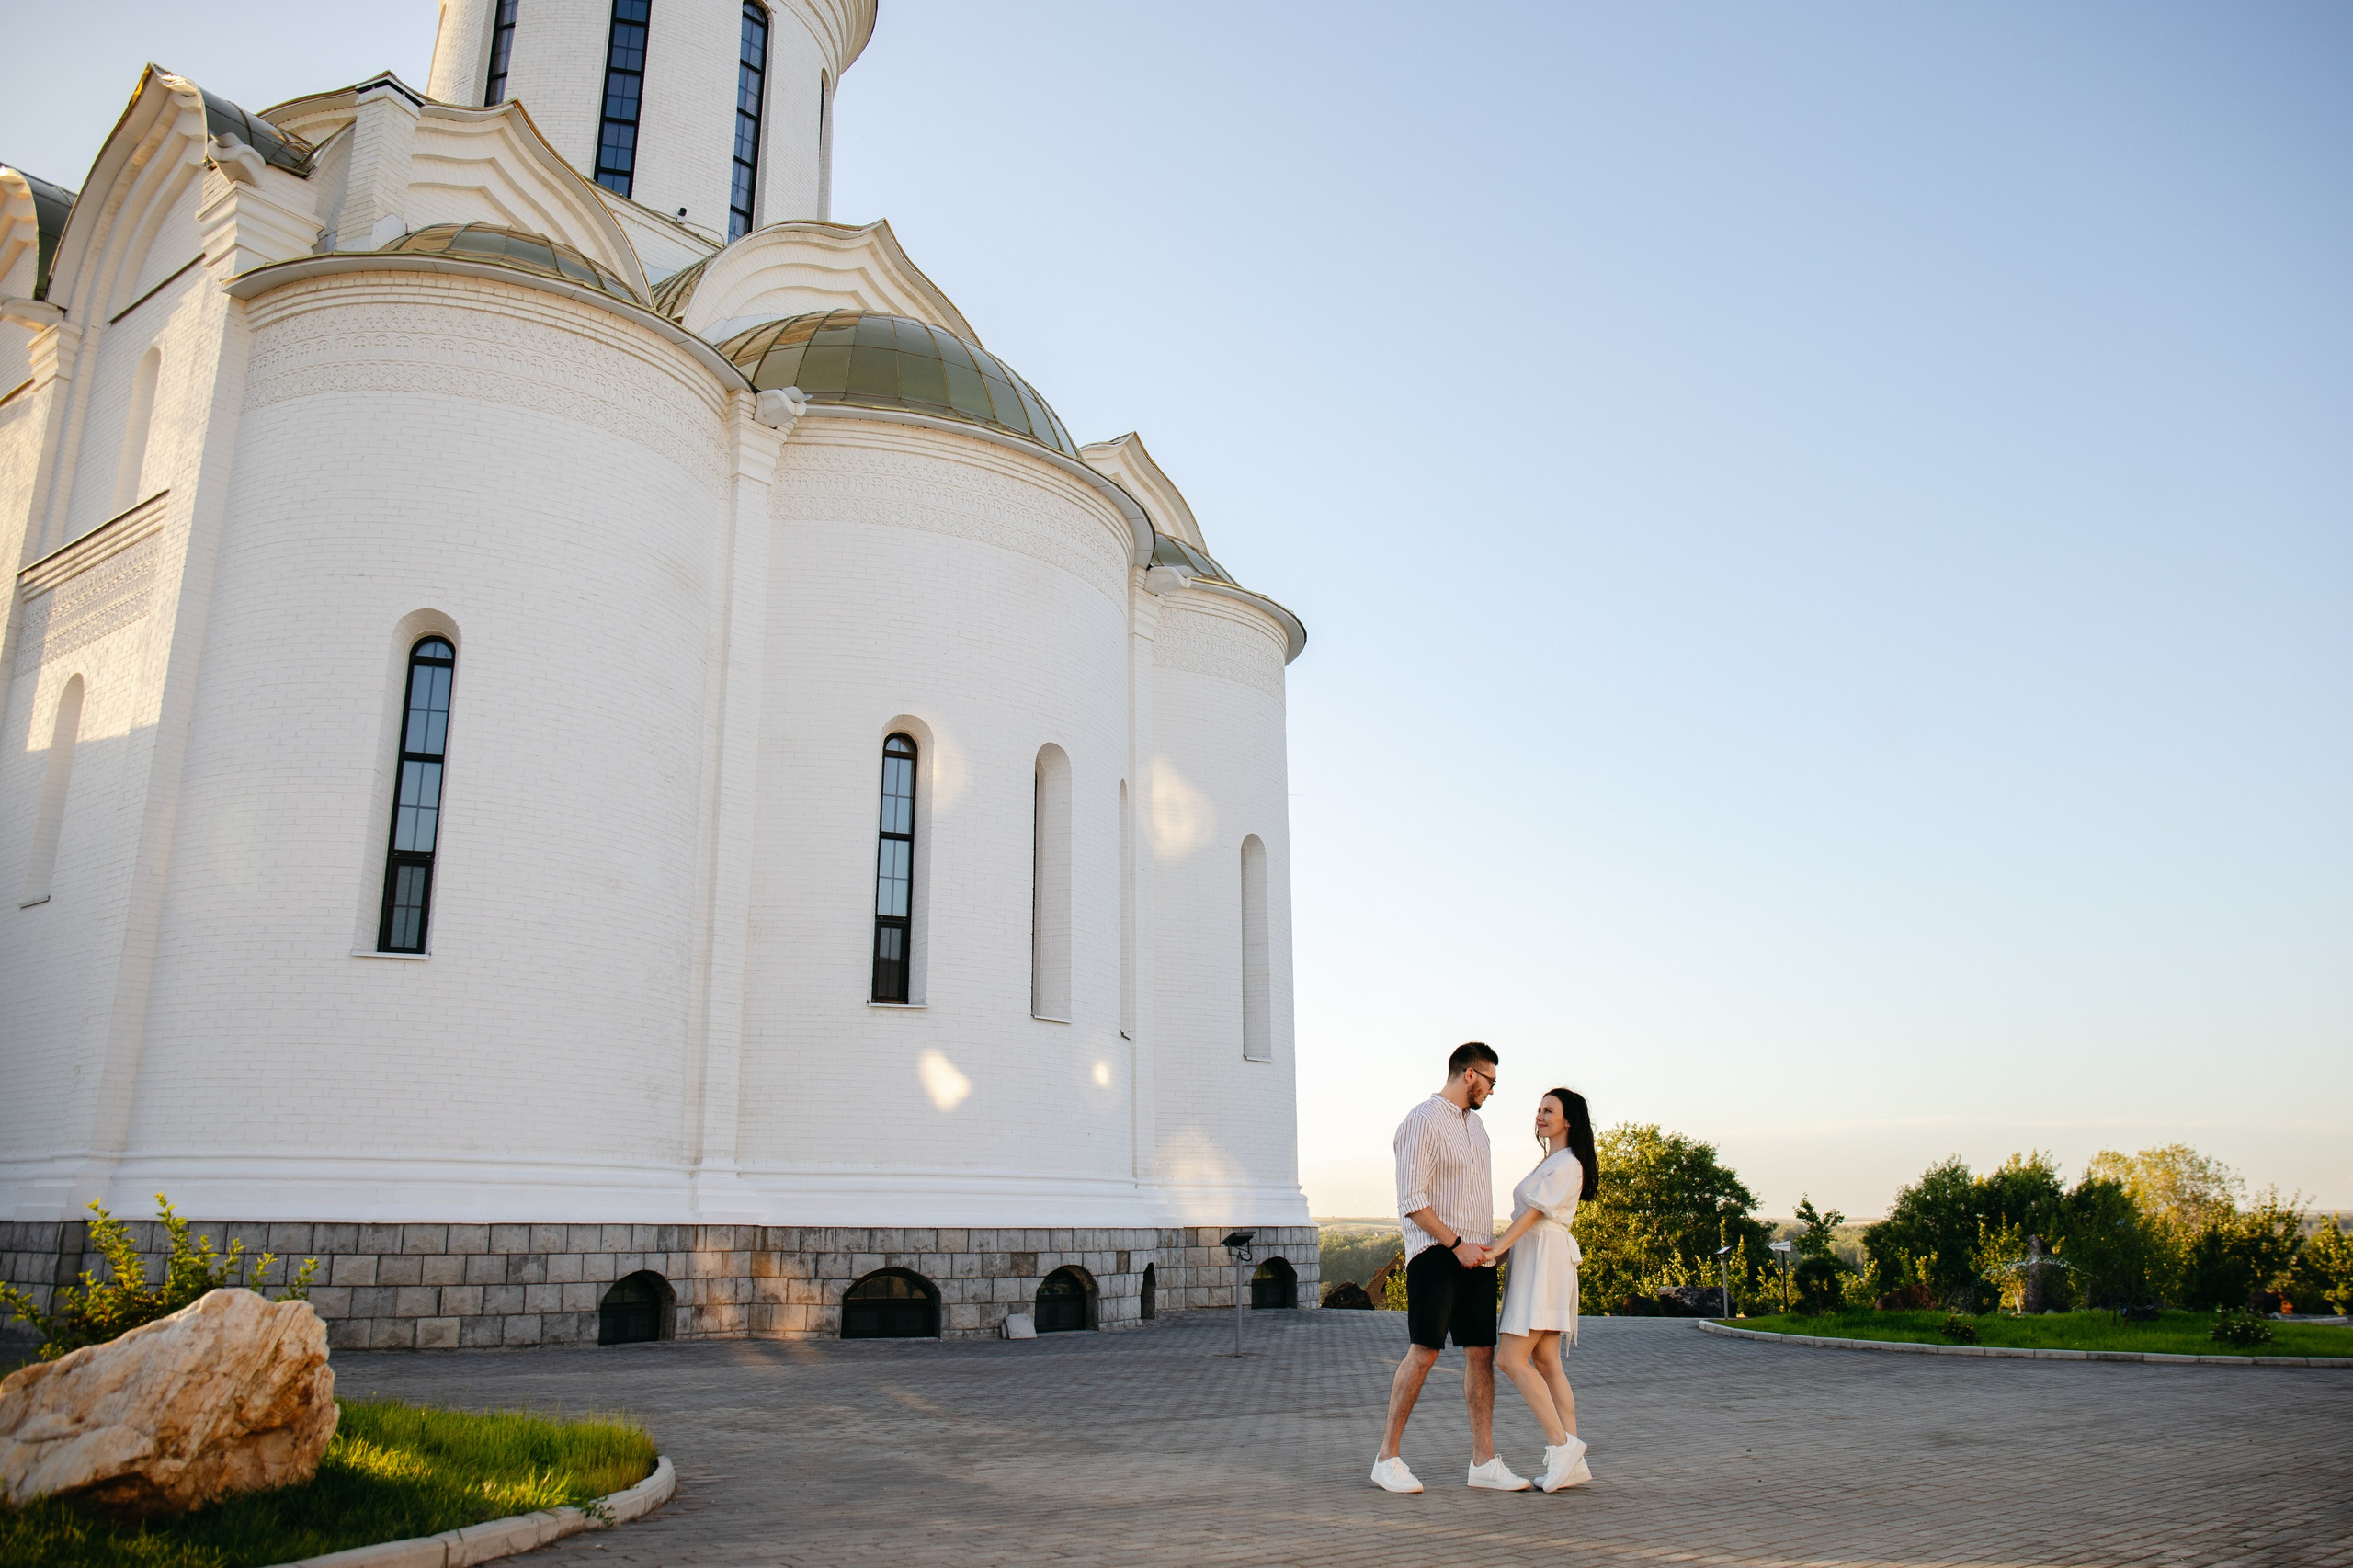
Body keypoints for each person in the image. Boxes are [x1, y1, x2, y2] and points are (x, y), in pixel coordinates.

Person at [1372, 1042, 1530, 1493]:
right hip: (1436, 1253)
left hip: (1478, 1256)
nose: (1492, 1091)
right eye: (1490, 1082)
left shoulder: (1478, 1127)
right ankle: (1387, 1457)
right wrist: (1456, 1245)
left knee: (1481, 1353)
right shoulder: (1421, 1120)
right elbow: (1412, 1201)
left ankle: (1483, 1462)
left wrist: (1485, 1248)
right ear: (1469, 1074)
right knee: (1425, 1352)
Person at [1487, 1086, 1599, 1493]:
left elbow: (1534, 1213)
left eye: (1548, 1110)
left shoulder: (1567, 1164)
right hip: (1538, 1259)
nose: (1540, 1115)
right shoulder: (1553, 1160)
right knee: (1548, 1361)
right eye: (1538, 1109)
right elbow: (1528, 1216)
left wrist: (1497, 1249)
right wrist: (1498, 1256)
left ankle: (1561, 1446)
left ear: (1567, 1120)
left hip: (1544, 1263)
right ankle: (1571, 1462)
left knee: (1511, 1358)